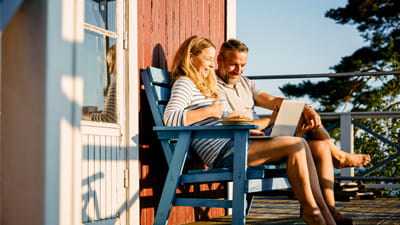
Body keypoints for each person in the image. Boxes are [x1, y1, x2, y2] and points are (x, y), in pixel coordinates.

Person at [164, 35, 340, 225]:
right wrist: (209, 111)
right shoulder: (185, 83)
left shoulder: (203, 86)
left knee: (302, 142)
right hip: (224, 151)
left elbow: (220, 120)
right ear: (191, 58)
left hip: (236, 141)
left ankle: (322, 212)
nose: (211, 65)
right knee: (296, 145)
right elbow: (170, 119)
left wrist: (244, 130)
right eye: (208, 59)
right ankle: (313, 213)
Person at [214, 38, 366, 224]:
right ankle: (339, 158)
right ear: (219, 59)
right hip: (244, 140)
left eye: (243, 65)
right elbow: (235, 123)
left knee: (317, 142)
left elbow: (273, 101)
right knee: (308, 144)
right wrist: (271, 120)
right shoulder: (211, 85)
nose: (239, 70)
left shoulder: (245, 83)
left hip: (264, 137)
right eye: (233, 65)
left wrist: (304, 107)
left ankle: (332, 210)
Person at [83, 45, 118, 123]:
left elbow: (108, 118)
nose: (109, 71)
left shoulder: (117, 84)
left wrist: (80, 116)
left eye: (110, 65)